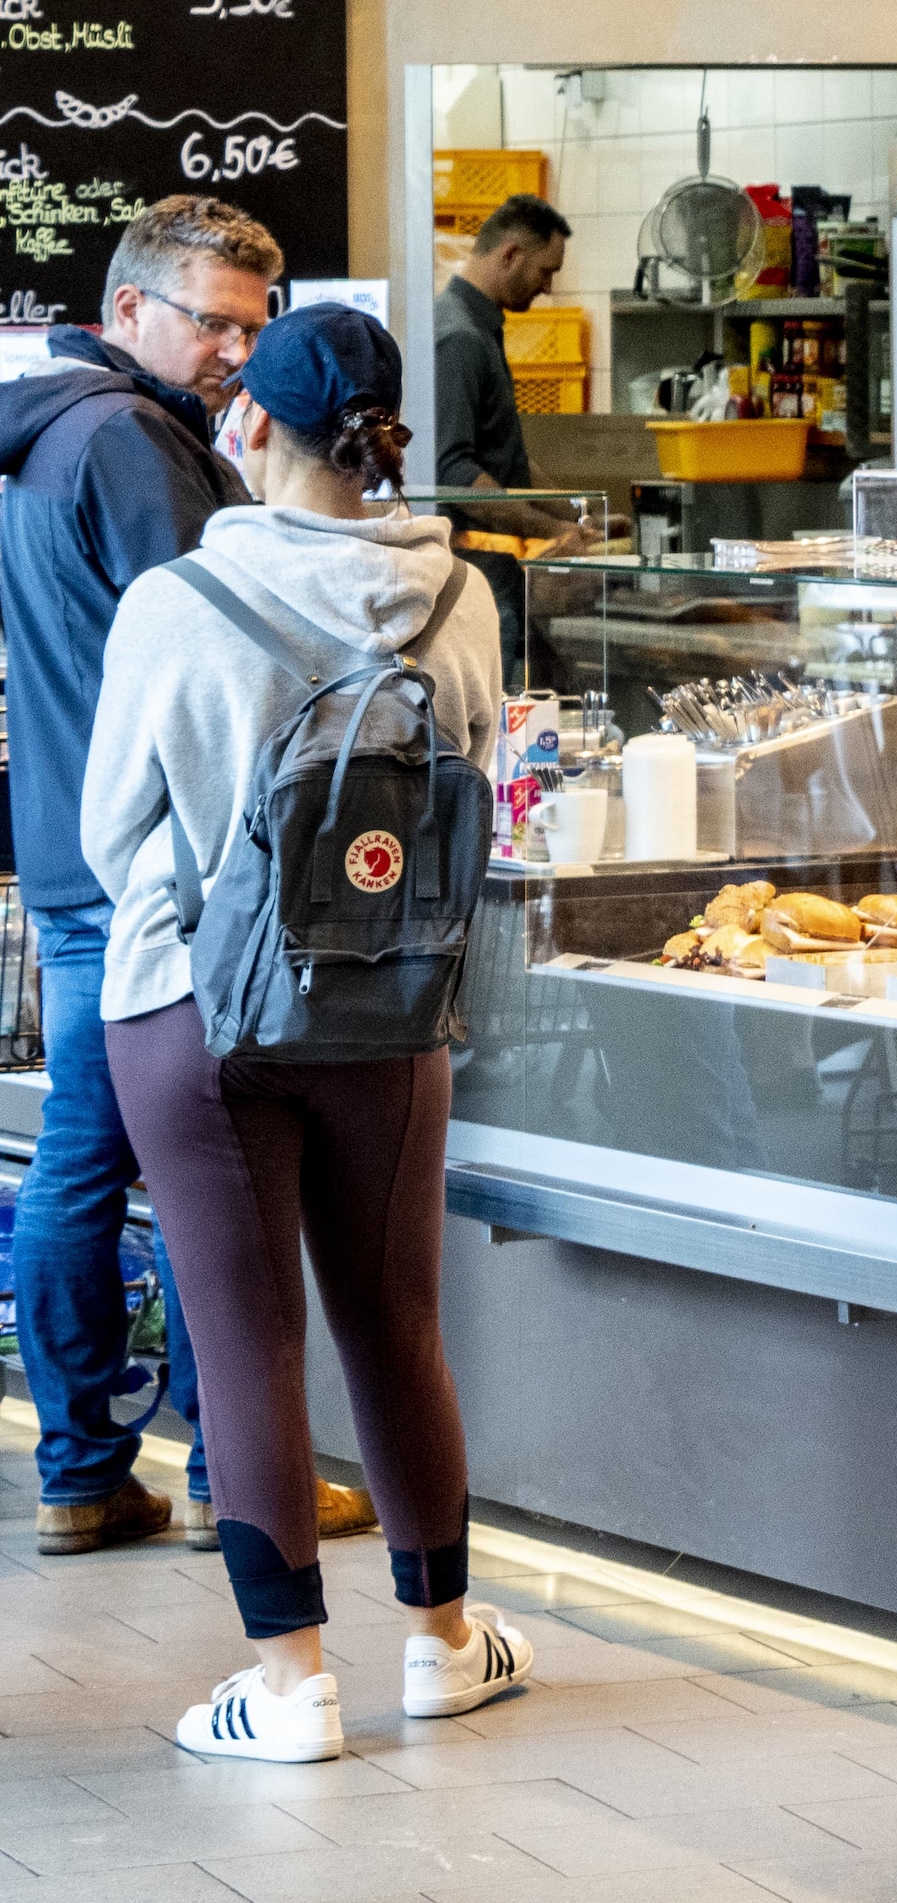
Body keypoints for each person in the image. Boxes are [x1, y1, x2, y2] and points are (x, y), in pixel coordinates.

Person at [82, 303, 528, 1761]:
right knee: (398, 1320)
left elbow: (108, 831)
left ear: (250, 420)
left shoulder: (178, 605)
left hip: (194, 1005)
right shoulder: (464, 594)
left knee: (248, 1331)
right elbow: (476, 776)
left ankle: (288, 1685)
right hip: (391, 1006)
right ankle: (446, 1644)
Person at [0, 194, 284, 1559]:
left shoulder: (57, 425)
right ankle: (224, 1473)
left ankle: (90, 1469)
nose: (235, 347)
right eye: (209, 318)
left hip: (70, 850)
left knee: (93, 1148)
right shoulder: (132, 442)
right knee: (183, 1162)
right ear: (126, 310)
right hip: (152, 864)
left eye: (252, 322)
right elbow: (211, 664)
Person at [430, 194, 569, 494]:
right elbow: (454, 472)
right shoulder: (459, 338)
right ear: (509, 256)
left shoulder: (481, 328)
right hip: (466, 539)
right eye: (545, 272)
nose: (547, 288)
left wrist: (578, 516)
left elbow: (506, 460)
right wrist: (551, 530)